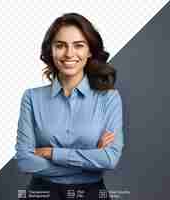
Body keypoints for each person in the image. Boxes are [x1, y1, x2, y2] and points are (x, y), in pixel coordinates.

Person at [15, 13, 124, 200]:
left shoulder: (109, 98)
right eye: (60, 45)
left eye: (78, 45)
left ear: (90, 51)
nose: (69, 54)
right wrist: (90, 161)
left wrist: (52, 153)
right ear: (51, 50)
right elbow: (25, 161)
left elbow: (109, 159)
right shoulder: (32, 98)